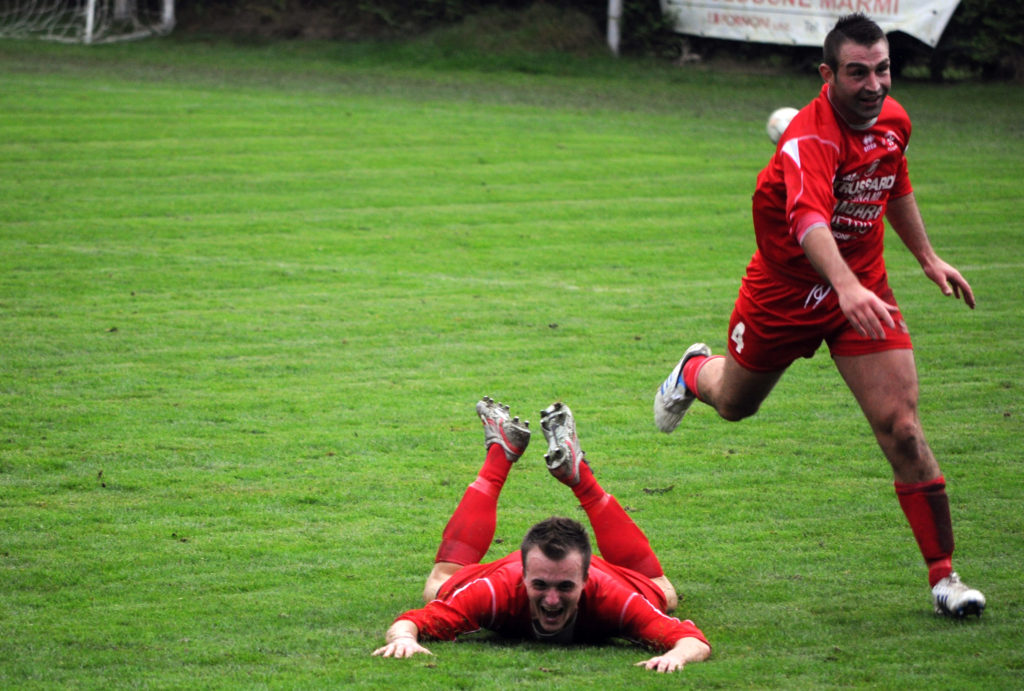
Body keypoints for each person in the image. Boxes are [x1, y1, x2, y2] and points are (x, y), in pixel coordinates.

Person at [653, 13, 984, 618]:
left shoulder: (894, 121)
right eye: (858, 73)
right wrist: (843, 285)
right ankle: (693, 370)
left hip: (863, 289)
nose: (875, 84)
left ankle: (945, 578)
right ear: (827, 74)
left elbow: (894, 179)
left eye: (883, 69)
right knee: (734, 403)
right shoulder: (809, 141)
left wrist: (928, 257)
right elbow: (808, 221)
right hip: (783, 292)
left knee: (903, 428)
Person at [372, 397, 711, 673]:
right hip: (504, 575)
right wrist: (403, 639)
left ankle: (502, 452)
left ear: (586, 579)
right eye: (540, 585)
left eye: (565, 586)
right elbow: (411, 623)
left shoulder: (611, 597)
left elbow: (692, 640)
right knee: (661, 591)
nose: (551, 600)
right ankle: (578, 479)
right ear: (523, 575)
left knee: (664, 598)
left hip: (606, 580)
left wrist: (676, 657)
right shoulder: (495, 591)